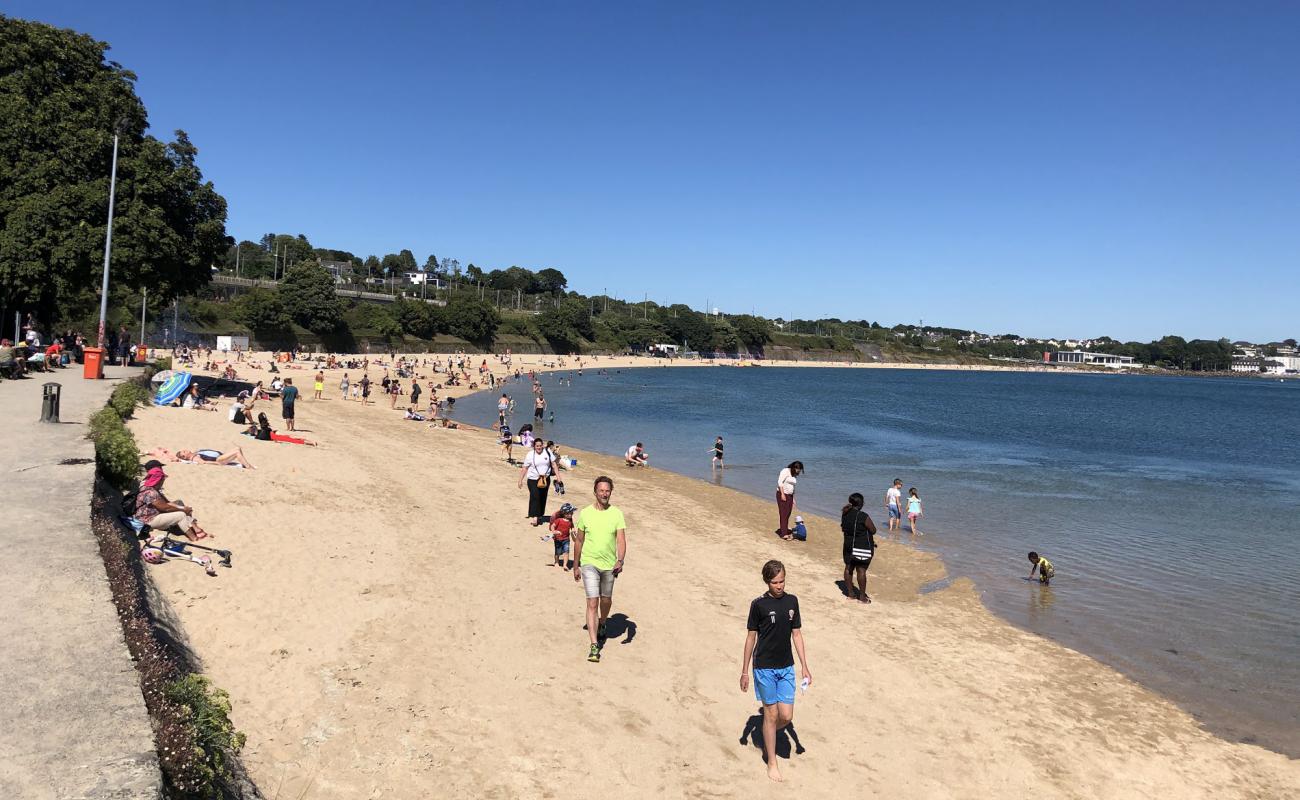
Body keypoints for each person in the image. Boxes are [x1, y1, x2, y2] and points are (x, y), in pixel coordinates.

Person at [740, 560, 811, 782]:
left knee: (786, 716)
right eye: (775, 582)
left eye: (782, 581)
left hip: (786, 666)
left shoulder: (792, 601)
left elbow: (796, 634)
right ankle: (771, 761)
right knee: (770, 714)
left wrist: (805, 666)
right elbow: (751, 637)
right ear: (767, 581)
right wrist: (744, 671)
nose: (779, 586)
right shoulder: (758, 605)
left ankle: (766, 733)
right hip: (764, 667)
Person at [572, 476, 627, 663]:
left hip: (610, 565)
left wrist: (620, 560)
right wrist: (576, 565)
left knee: (606, 600)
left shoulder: (617, 514)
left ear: (610, 492)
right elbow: (579, 540)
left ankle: (603, 622)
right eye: (601, 490)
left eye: (607, 490)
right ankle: (594, 645)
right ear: (595, 492)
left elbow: (620, 539)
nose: (604, 493)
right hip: (589, 563)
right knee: (592, 602)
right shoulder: (586, 513)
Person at [132, 462, 214, 543]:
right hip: (148, 520)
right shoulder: (150, 492)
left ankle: (195, 529)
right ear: (158, 480)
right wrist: (183, 510)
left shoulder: (152, 488)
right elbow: (165, 508)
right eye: (162, 480)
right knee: (181, 515)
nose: (163, 482)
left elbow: (167, 503)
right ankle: (194, 538)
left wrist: (182, 508)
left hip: (153, 514)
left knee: (179, 504)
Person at [840, 493, 877, 603]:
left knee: (848, 568)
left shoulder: (845, 514)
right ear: (860, 504)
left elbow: (844, 527)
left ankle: (851, 594)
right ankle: (862, 597)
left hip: (848, 545)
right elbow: (873, 530)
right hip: (862, 546)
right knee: (861, 570)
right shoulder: (863, 516)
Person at [519, 438, 556, 526]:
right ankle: (534, 517)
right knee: (535, 496)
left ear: (543, 445)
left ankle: (539, 515)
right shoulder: (530, 454)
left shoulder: (547, 452)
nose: (539, 447)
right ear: (534, 446)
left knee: (542, 497)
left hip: (545, 479)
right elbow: (525, 468)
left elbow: (554, 465)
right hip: (533, 480)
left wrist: (559, 478)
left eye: (540, 446)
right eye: (537, 446)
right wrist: (520, 480)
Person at [248, 412, 317, 446]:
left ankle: (310, 442)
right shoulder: (262, 427)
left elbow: (264, 435)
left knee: (291, 439)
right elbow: (268, 430)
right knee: (290, 437)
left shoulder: (259, 434)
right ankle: (307, 440)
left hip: (274, 436)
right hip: (274, 433)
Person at [775, 461, 803, 540]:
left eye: (799, 470)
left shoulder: (793, 475)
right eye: (798, 470)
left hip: (790, 495)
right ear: (794, 468)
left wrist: (793, 498)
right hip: (782, 494)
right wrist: (782, 494)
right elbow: (780, 482)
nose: (798, 472)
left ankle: (784, 529)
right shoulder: (785, 471)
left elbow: (792, 487)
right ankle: (783, 534)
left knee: (788, 513)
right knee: (783, 513)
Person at [546, 502, 576, 569]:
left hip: (566, 539)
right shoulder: (558, 520)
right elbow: (552, 526)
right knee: (557, 552)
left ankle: (565, 565)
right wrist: (554, 531)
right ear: (565, 513)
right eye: (570, 513)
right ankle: (556, 562)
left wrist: (574, 531)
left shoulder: (570, 521)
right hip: (558, 539)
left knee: (566, 551)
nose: (572, 514)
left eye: (572, 513)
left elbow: (572, 527)